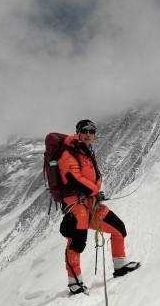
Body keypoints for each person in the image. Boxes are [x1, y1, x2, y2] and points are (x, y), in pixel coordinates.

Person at [59, 119, 140, 294]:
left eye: (92, 131)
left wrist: (95, 194)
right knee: (76, 241)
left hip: (90, 202)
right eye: (85, 131)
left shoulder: (87, 152)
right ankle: (75, 283)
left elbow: (88, 178)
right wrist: (94, 191)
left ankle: (120, 266)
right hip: (76, 205)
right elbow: (73, 178)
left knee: (118, 227)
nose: (89, 134)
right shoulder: (69, 153)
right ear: (78, 132)